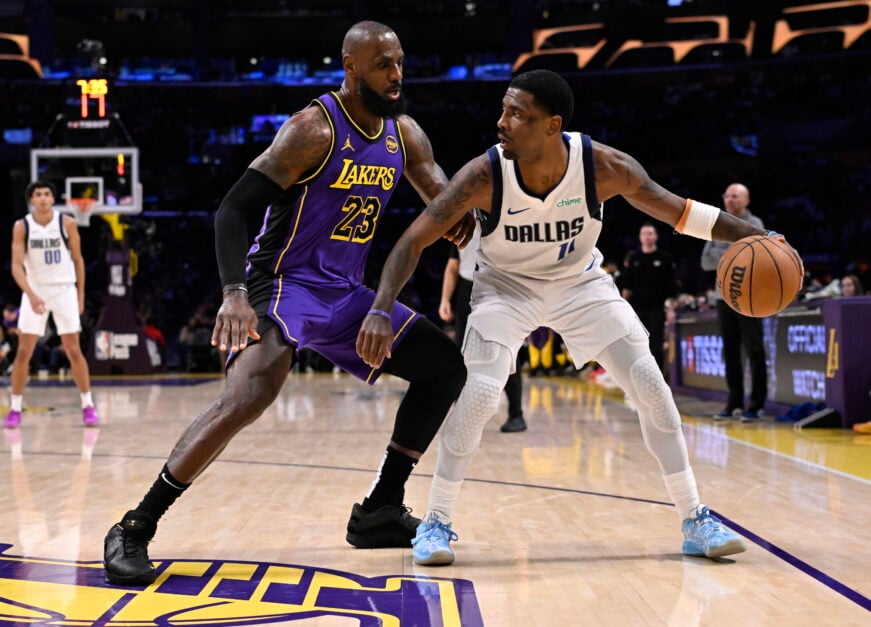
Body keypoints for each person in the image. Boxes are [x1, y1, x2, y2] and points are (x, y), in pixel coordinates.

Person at [357, 69, 797, 566]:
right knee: (479, 395)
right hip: (506, 289)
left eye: (516, 113)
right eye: (503, 108)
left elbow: (680, 213)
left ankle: (695, 516)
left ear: (552, 125)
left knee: (652, 386)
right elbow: (413, 239)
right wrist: (379, 309)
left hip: (581, 285)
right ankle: (436, 522)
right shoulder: (484, 174)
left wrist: (755, 238)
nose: (501, 121)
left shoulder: (602, 166)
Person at [102, 21, 473, 586]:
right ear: (350, 67)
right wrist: (232, 294)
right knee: (249, 395)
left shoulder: (406, 134)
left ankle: (379, 507)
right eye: (382, 65)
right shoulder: (312, 129)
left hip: (347, 293)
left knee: (444, 368)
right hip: (282, 285)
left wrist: (467, 215)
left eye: (399, 62)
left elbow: (439, 194)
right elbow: (232, 210)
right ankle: (135, 526)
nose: (396, 75)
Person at [4, 181, 99, 429]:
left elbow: (78, 260)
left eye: (47, 194)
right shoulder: (22, 226)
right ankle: (15, 408)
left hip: (63, 288)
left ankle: (88, 405)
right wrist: (31, 294)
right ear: (31, 200)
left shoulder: (66, 223)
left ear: (52, 198)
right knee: (24, 351)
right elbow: (16, 266)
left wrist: (80, 296)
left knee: (73, 350)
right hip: (34, 289)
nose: (44, 198)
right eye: (39, 194)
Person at [439, 225, 526, 432]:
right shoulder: (464, 223)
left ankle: (517, 414)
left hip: (500, 288)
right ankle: (461, 416)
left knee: (507, 350)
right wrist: (444, 300)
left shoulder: (503, 219)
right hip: (467, 288)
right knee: (462, 352)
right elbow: (452, 266)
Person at [700, 183, 768, 422]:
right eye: (727, 195)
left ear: (746, 200)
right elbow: (705, 263)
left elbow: (758, 257)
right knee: (730, 353)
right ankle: (734, 402)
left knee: (754, 349)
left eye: (735, 196)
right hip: (722, 297)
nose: (730, 199)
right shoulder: (716, 224)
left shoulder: (756, 225)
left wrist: (727, 258)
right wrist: (734, 254)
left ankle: (757, 405)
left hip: (750, 298)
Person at [619, 223, 678, 371]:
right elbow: (627, 286)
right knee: (636, 344)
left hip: (657, 309)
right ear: (640, 237)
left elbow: (671, 286)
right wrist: (623, 309)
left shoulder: (664, 258)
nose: (647, 236)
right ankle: (638, 375)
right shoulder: (634, 258)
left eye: (650, 233)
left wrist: (671, 308)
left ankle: (656, 376)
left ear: (656, 236)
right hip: (636, 309)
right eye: (644, 233)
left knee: (656, 344)